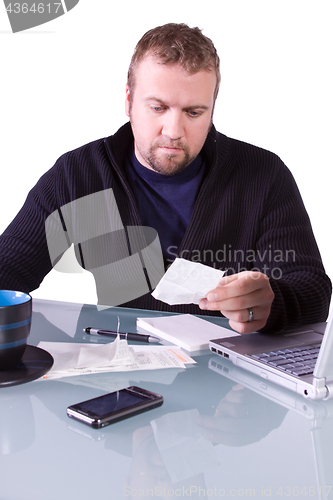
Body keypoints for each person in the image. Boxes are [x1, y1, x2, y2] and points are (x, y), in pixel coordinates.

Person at [0, 23, 331, 334]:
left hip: (230, 379)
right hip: (118, 367)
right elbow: (10, 268)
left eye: (193, 112)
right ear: (129, 101)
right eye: (158, 108)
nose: (174, 132)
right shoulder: (79, 175)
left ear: (212, 108)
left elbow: (312, 288)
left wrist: (272, 302)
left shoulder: (262, 175)